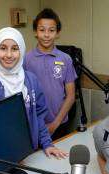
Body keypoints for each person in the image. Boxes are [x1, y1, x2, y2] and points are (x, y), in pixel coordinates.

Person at [0, 27, 66, 159]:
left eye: (15, 49)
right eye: (3, 48)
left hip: (29, 153)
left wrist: (47, 144)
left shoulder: (31, 80)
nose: (9, 55)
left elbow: (38, 117)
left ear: (21, 51)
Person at [24, 8, 77, 140]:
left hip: (60, 123)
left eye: (51, 30)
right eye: (42, 30)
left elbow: (70, 96)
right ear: (35, 32)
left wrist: (55, 123)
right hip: (34, 125)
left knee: (59, 158)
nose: (46, 35)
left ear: (57, 33)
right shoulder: (26, 59)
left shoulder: (65, 59)